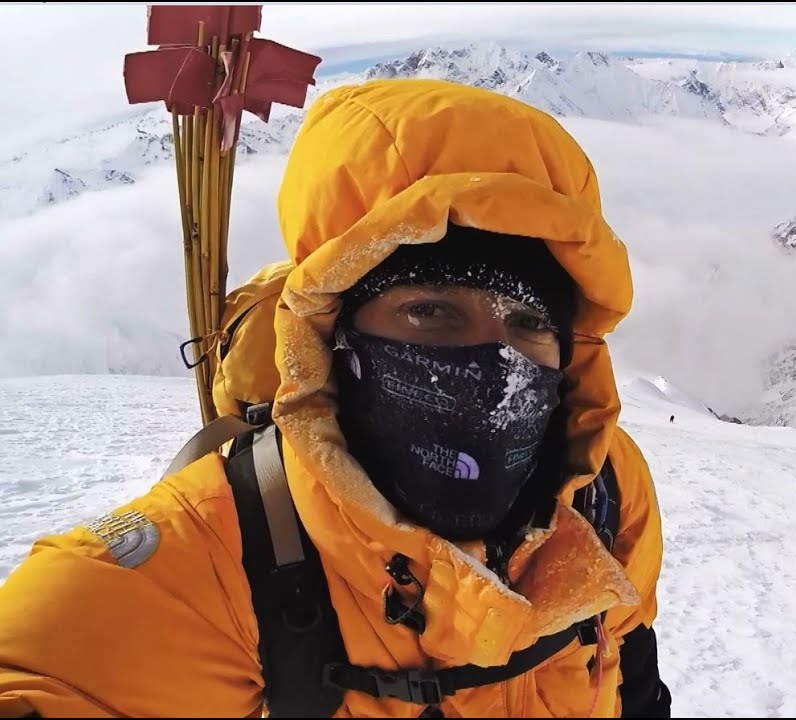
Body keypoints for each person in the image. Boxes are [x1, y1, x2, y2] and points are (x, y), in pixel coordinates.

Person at [0, 79, 670, 718]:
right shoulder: (220, 550)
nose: (495, 369)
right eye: (432, 311)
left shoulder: (603, 490)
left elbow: (631, 671)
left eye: (528, 324)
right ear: (333, 332)